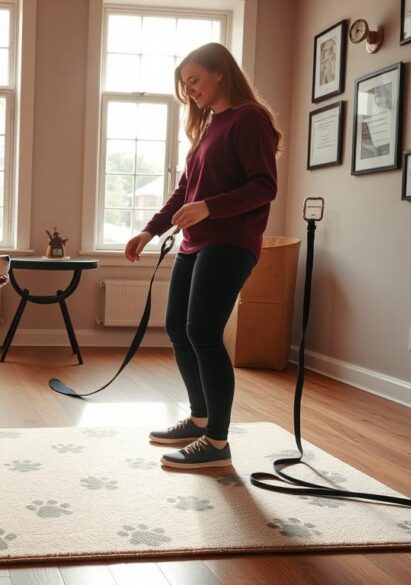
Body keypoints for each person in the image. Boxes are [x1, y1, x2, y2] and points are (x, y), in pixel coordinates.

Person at [124, 42, 282, 469]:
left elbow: (264, 186)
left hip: (230, 242)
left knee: (204, 332)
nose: (189, 90)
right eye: (184, 84)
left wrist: (211, 207)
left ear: (219, 73)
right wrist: (150, 229)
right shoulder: (210, 126)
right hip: (196, 241)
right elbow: (184, 191)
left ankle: (216, 442)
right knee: (179, 327)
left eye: (194, 80)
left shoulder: (249, 119)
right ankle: (200, 417)